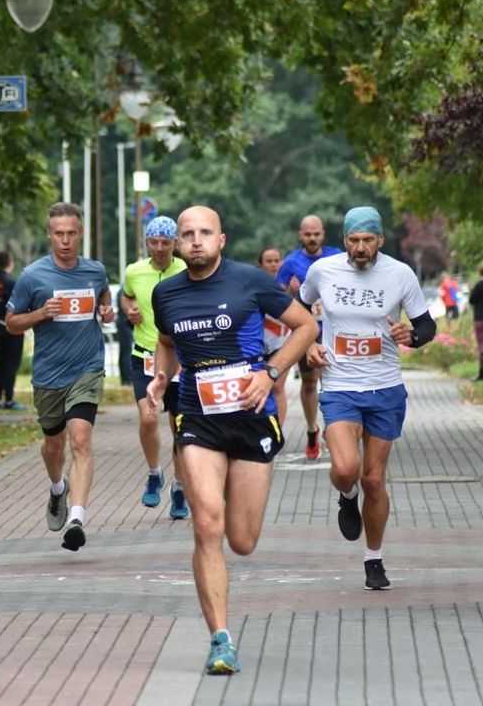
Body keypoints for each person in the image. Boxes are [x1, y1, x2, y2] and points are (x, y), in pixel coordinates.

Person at [147, 206, 318, 674]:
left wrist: (271, 372)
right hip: (197, 417)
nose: (196, 240)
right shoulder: (166, 293)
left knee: (241, 540)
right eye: (188, 234)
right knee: (207, 525)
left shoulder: (250, 281)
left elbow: (306, 327)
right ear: (178, 245)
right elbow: (165, 341)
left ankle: (227, 493)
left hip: (249, 417)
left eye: (205, 233)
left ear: (221, 240)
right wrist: (162, 379)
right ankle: (220, 639)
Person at [301, 207, 435, 591]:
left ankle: (373, 558)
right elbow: (299, 310)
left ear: (379, 240)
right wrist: (309, 342)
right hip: (339, 385)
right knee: (347, 469)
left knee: (374, 480)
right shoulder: (323, 271)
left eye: (367, 241)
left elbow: (426, 324)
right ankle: (347, 495)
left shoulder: (399, 274)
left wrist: (414, 335)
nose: (360, 248)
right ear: (344, 241)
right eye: (353, 241)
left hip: (385, 387)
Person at [6, 202, 113, 553]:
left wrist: (106, 311)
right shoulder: (32, 276)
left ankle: (77, 519)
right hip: (49, 374)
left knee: (80, 440)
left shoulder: (95, 271)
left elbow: (104, 297)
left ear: (80, 233)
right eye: (59, 234)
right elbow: (11, 323)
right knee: (54, 445)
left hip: (87, 368)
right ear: (49, 235)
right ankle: (57, 488)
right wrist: (39, 313)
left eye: (71, 233)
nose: (65, 240)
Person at [120, 216, 189, 519]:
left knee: (180, 427)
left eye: (165, 242)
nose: (160, 248)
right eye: (154, 242)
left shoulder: (187, 270)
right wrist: (129, 310)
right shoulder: (134, 272)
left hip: (181, 358)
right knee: (149, 419)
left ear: (176, 243)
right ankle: (154, 473)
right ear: (146, 243)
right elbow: (127, 295)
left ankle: (179, 488)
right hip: (144, 356)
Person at [276, 215, 342, 460]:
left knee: (336, 382)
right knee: (310, 383)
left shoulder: (337, 257)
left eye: (316, 234)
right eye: (307, 234)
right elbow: (277, 298)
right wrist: (291, 292)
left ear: (323, 234)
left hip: (336, 331)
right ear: (300, 235)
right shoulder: (291, 262)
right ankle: (313, 429)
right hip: (307, 333)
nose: (312, 238)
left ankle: (334, 428)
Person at [0, 250, 25, 410]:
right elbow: (18, 305)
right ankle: (9, 399)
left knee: (1, 363)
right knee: (11, 364)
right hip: (13, 328)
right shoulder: (12, 282)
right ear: (10, 262)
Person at [257, 246, 291, 424]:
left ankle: (278, 429)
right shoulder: (253, 284)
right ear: (261, 264)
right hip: (259, 346)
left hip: (282, 344)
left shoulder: (290, 284)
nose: (273, 265)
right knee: (261, 386)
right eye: (268, 261)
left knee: (277, 386)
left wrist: (294, 291)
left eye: (276, 261)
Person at [114, 286, 134, 385]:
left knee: (125, 352)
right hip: (125, 323)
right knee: (126, 353)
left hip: (123, 322)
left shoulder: (122, 290)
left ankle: (126, 379)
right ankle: (127, 380)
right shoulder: (125, 291)